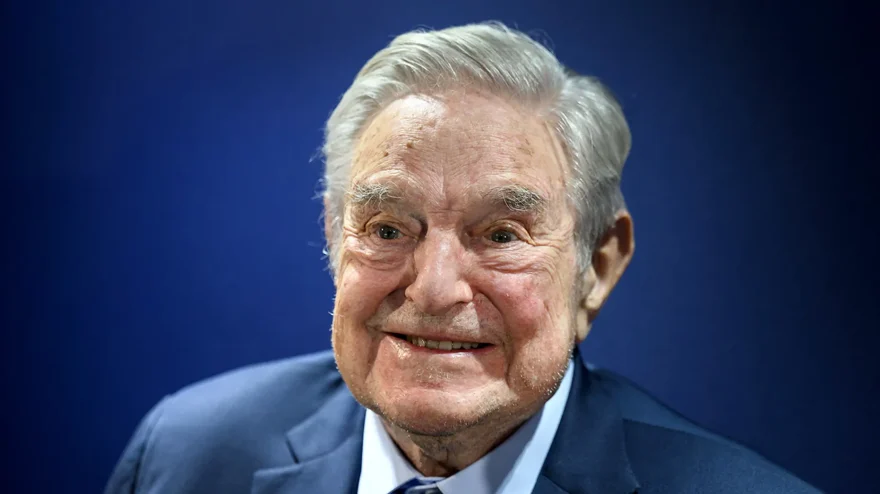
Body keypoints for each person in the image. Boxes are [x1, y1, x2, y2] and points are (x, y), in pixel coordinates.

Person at [106, 22, 818, 494]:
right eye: (387, 229)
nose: (436, 287)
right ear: (334, 236)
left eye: (501, 235)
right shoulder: (186, 457)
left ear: (596, 268)